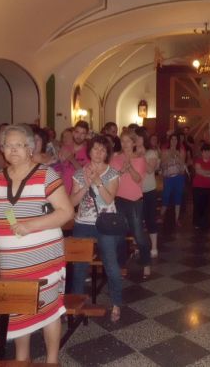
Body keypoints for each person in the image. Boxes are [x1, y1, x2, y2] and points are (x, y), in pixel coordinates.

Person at [0, 124, 73, 364]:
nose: (12, 150)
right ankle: (22, 360)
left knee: (49, 310)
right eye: (7, 145)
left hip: (46, 258)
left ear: (30, 147)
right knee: (18, 311)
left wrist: (30, 226)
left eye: (18, 145)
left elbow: (65, 212)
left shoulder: (46, 174)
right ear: (2, 149)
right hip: (12, 263)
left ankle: (52, 361)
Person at [70, 135, 122, 322]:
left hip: (106, 224)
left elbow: (108, 199)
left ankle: (116, 303)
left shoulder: (112, 173)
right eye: (95, 149)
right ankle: (77, 302)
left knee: (111, 264)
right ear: (89, 151)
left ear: (107, 153)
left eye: (103, 150)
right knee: (79, 267)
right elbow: (72, 202)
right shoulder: (78, 174)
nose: (99, 153)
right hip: (83, 223)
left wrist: (98, 180)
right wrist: (85, 183)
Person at [111, 131, 151, 279]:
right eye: (123, 141)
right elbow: (111, 178)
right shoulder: (116, 158)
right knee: (119, 235)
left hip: (135, 201)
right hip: (119, 199)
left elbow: (138, 180)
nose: (125, 144)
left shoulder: (140, 159)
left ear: (134, 143)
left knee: (138, 235)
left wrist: (129, 168)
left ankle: (146, 262)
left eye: (128, 141)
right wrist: (121, 171)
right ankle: (121, 265)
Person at [137, 128, 160, 258]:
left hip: (149, 190)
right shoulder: (132, 153)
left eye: (138, 137)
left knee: (150, 218)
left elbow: (151, 170)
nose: (136, 140)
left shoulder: (151, 152)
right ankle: (138, 245)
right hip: (135, 191)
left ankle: (154, 246)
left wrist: (142, 156)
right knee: (137, 220)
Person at [159, 134, 187, 226]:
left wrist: (178, 156)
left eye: (176, 139)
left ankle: (177, 219)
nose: (174, 141)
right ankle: (161, 216)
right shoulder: (165, 151)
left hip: (179, 177)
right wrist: (168, 157)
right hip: (168, 177)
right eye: (172, 139)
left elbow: (183, 164)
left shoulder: (181, 151)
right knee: (166, 196)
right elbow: (162, 164)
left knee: (178, 197)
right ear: (169, 140)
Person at [192, 143, 210, 230]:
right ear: (202, 152)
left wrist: (204, 172)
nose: (207, 153)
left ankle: (205, 223)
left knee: (207, 206)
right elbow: (198, 171)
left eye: (208, 152)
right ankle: (197, 222)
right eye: (205, 151)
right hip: (197, 186)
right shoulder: (198, 161)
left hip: (208, 187)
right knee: (198, 205)